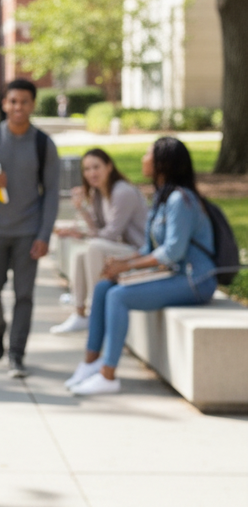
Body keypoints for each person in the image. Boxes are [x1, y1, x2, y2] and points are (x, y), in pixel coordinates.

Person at [67, 137, 217, 396]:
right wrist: (121, 264)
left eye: (149, 154)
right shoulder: (162, 197)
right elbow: (149, 249)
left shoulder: (180, 200)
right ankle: (90, 363)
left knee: (118, 296)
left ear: (163, 163)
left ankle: (108, 374)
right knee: (104, 287)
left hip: (195, 280)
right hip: (174, 275)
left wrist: (127, 268)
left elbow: (173, 252)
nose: (143, 158)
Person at [0, 77, 60, 377]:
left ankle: (17, 354)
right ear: (4, 104)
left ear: (32, 105)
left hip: (28, 233)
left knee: (24, 295)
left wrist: (44, 235)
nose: (18, 107)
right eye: (13, 101)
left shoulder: (44, 144)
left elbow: (52, 194)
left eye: (24, 102)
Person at [51, 148, 149, 334]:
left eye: (96, 167)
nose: (91, 173)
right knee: (81, 253)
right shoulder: (98, 193)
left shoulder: (122, 192)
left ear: (109, 167)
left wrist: (82, 232)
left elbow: (109, 234)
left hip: (140, 251)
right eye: (87, 169)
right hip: (120, 247)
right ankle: (80, 314)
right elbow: (98, 230)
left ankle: (95, 310)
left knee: (93, 247)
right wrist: (81, 210)